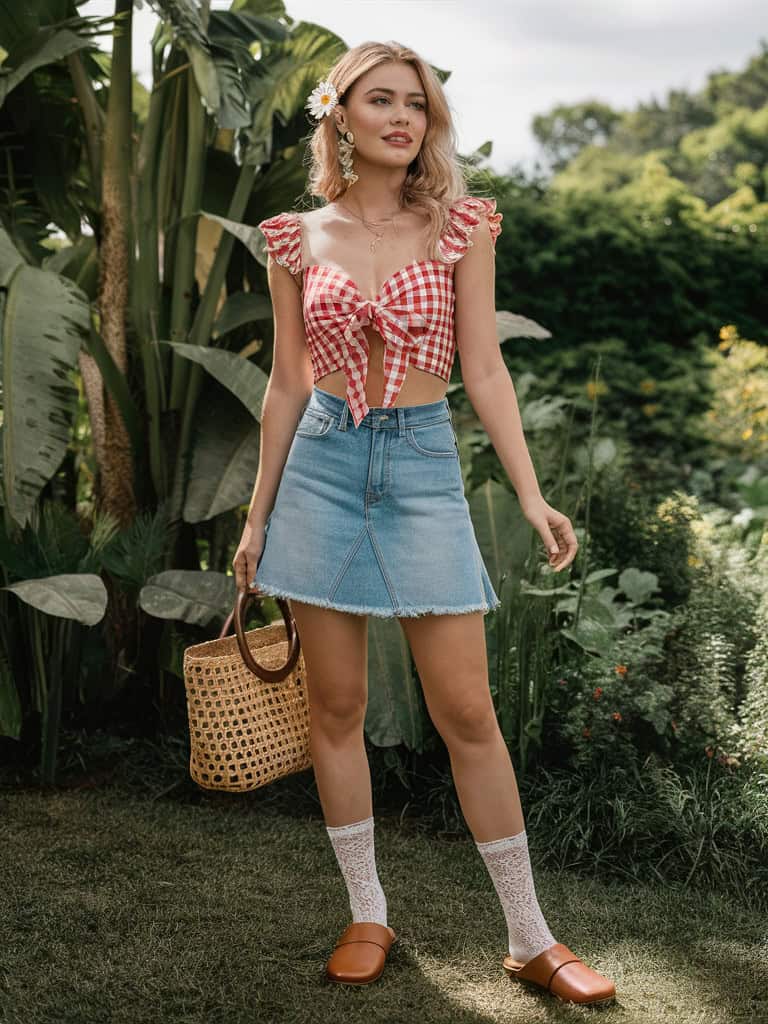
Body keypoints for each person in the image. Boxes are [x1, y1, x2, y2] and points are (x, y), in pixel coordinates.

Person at [232, 40, 616, 1007]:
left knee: (468, 712)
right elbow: (286, 384)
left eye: (418, 104)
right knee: (336, 710)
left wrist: (530, 495)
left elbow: (484, 368)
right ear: (341, 116)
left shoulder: (462, 228)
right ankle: (368, 915)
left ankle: (531, 938)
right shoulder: (291, 237)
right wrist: (255, 516)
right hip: (320, 467)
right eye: (382, 100)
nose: (404, 117)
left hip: (421, 463)